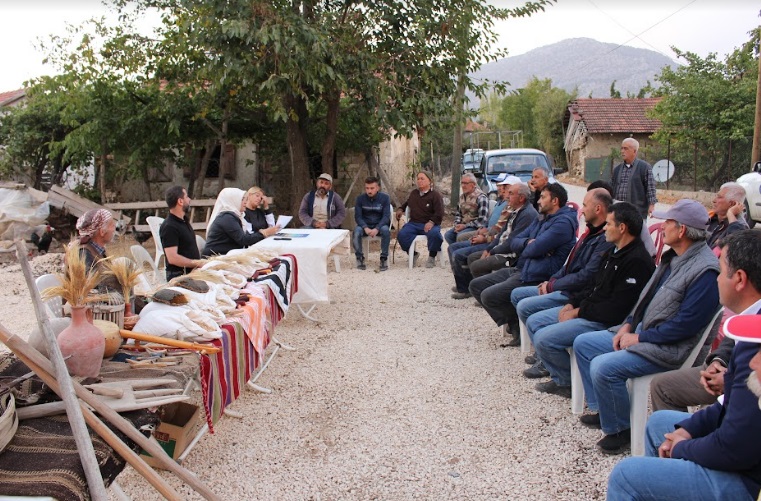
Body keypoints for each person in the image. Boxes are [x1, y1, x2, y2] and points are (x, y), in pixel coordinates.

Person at [606, 230, 761, 501]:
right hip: (742, 453)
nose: (717, 281)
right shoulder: (751, 323)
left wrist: (683, 448)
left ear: (739, 279)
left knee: (626, 475)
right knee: (662, 423)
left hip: (747, 481)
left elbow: (735, 447)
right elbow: (728, 406)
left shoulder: (754, 343)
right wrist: (688, 431)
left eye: (721, 272)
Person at [573, 199, 720, 454]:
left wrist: (640, 339)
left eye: (668, 223)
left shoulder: (705, 270)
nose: (662, 227)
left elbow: (685, 327)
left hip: (669, 349)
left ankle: (621, 431)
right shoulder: (673, 257)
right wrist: (629, 324)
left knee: (603, 366)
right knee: (584, 344)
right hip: (646, 334)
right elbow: (644, 298)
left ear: (682, 230)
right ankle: (610, 410)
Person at [525, 202, 655, 397]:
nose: (604, 228)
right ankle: (565, 375)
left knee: (544, 339)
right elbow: (592, 286)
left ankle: (567, 382)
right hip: (589, 310)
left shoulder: (637, 261)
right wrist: (572, 303)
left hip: (606, 322)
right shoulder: (613, 251)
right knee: (536, 322)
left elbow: (615, 310)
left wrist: (577, 312)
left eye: (608, 224)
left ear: (622, 228)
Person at [511, 187, 615, 358]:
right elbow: (569, 264)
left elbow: (586, 276)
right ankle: (540, 350)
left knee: (528, 310)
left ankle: (553, 364)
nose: (581, 210)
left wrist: (553, 286)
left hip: (573, 292)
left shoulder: (603, 238)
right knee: (517, 296)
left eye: (584, 205)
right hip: (564, 285)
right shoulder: (590, 232)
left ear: (598, 209)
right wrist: (552, 281)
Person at [469, 183, 578, 339]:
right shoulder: (542, 217)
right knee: (476, 285)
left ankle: (519, 330)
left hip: (538, 275)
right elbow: (515, 241)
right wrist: (528, 243)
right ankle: (514, 323)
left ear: (555, 201)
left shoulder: (562, 223)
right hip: (524, 268)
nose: (539, 201)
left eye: (543, 197)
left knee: (489, 296)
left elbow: (532, 249)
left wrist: (530, 246)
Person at [448, 175, 521, 299]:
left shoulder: (512, 210)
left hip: (499, 247)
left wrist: (485, 240)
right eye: (500, 186)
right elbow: (493, 226)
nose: (501, 189)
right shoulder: (503, 204)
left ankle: (471, 289)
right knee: (453, 245)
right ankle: (466, 284)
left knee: (461, 252)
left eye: (506, 187)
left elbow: (503, 235)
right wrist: (483, 231)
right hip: (489, 238)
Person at [466, 183, 537, 280]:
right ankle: (481, 287)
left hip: (510, 256)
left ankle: (486, 290)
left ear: (521, 198)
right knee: (472, 258)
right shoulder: (515, 211)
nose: (507, 196)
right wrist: (489, 249)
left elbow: (512, 242)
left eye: (511, 193)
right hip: (500, 249)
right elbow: (501, 234)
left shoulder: (527, 214)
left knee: (476, 265)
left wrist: (493, 251)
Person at [610, 137, 657, 256]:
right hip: (619, 211)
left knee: (636, 239)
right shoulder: (617, 169)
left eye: (626, 148)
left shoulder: (644, 167)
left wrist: (651, 204)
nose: (622, 151)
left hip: (637, 211)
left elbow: (650, 187)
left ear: (634, 151)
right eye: (621, 148)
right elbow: (612, 187)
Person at [202, 188, 272, 257]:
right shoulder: (227, 218)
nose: (245, 202)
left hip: (227, 255)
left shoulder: (237, 216)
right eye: (242, 199)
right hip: (214, 258)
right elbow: (243, 239)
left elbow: (246, 236)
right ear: (232, 200)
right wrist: (264, 233)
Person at [395, 171, 445, 268]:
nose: (419, 181)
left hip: (430, 223)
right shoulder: (414, 193)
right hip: (414, 223)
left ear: (429, 181)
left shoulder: (435, 195)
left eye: (422, 179)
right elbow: (407, 204)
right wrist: (401, 209)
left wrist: (431, 222)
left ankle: (432, 256)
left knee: (435, 234)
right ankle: (413, 254)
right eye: (418, 179)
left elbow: (439, 212)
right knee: (402, 235)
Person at [72, 208, 120, 291]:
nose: (114, 228)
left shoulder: (97, 250)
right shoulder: (84, 253)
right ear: (102, 232)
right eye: (112, 225)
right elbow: (94, 287)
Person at [160, 185, 202, 281]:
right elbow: (173, 258)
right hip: (180, 277)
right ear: (180, 201)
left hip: (192, 273)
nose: (189, 199)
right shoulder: (169, 226)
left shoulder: (183, 221)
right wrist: (196, 263)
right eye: (186, 197)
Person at [353, 176, 391, 271]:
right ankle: (360, 257)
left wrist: (377, 228)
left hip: (380, 225)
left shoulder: (385, 198)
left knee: (386, 230)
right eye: (367, 188)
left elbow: (386, 216)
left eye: (372, 188)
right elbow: (358, 217)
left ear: (377, 188)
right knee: (356, 231)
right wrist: (365, 227)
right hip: (365, 226)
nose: (369, 191)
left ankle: (384, 258)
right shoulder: (360, 199)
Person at [444, 173, 488, 245]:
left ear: (473, 184)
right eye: (462, 183)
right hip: (463, 225)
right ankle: (455, 252)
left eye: (466, 183)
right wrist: (457, 224)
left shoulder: (481, 197)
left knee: (460, 236)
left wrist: (465, 226)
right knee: (448, 235)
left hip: (475, 227)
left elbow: (482, 221)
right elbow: (458, 213)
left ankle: (461, 252)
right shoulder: (462, 197)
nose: (463, 186)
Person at [707, 182, 748, 250]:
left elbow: (737, 244)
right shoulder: (710, 218)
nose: (714, 200)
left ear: (732, 204)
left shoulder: (740, 227)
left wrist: (730, 213)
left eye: (719, 197)